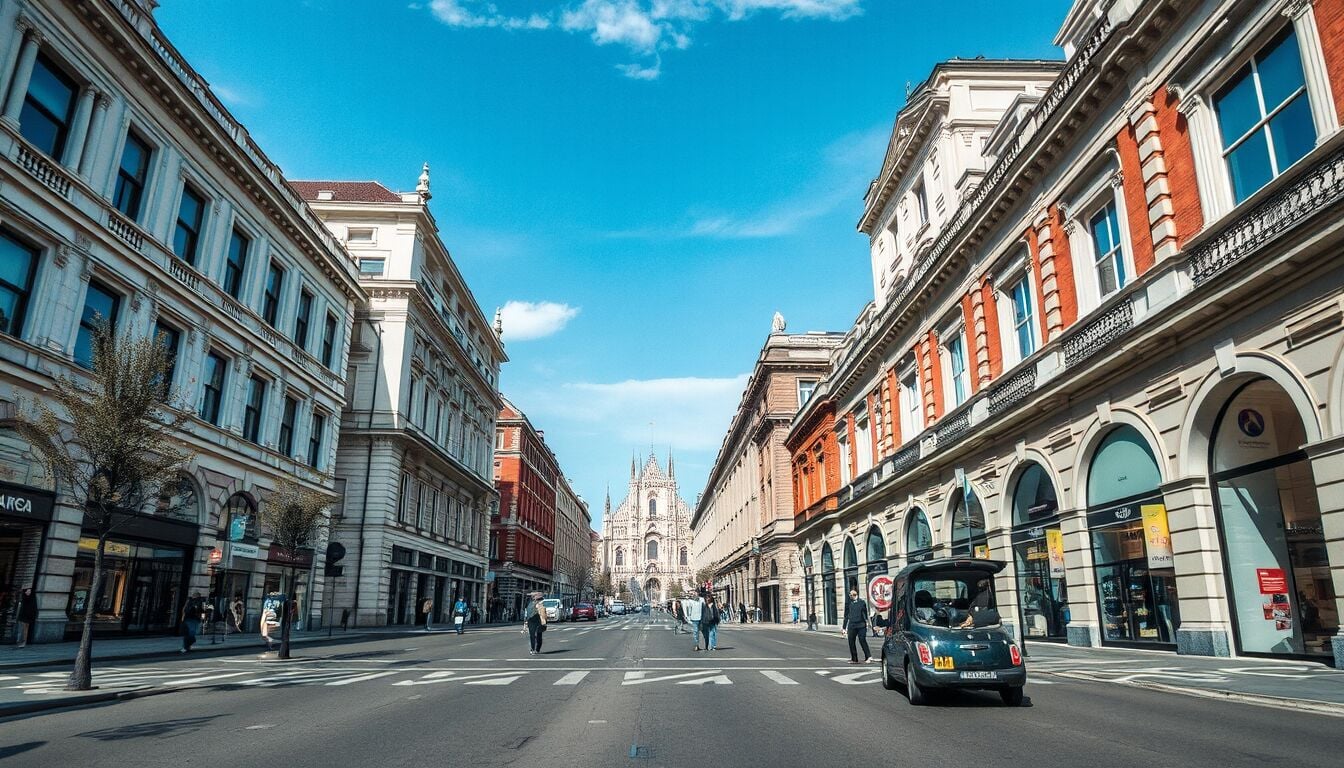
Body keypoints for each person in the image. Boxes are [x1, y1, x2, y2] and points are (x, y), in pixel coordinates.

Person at [841, 588, 871, 664]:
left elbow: (865, 613)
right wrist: (844, 627)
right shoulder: (848, 603)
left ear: (855, 595)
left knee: (862, 640)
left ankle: (868, 656)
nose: (850, 596)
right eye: (849, 595)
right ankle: (854, 659)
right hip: (852, 624)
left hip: (861, 624)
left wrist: (867, 622)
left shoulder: (862, 602)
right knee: (851, 641)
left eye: (851, 595)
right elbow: (846, 615)